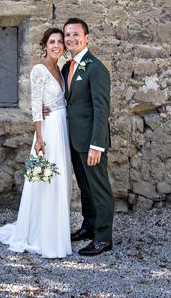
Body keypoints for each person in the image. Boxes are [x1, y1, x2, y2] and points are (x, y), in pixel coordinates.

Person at [0, 28, 73, 259]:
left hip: (62, 126)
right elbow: (36, 105)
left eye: (59, 42)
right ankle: (41, 235)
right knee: (46, 181)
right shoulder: (39, 69)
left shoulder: (61, 68)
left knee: (60, 180)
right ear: (44, 45)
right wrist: (39, 138)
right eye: (52, 42)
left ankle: (57, 230)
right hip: (47, 131)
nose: (56, 45)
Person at [62, 17, 114, 256]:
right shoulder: (67, 67)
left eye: (75, 34)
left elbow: (101, 110)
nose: (70, 39)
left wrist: (97, 145)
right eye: (67, 35)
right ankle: (89, 226)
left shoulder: (96, 68)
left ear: (86, 38)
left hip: (91, 142)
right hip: (74, 140)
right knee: (85, 187)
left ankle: (103, 238)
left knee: (99, 188)